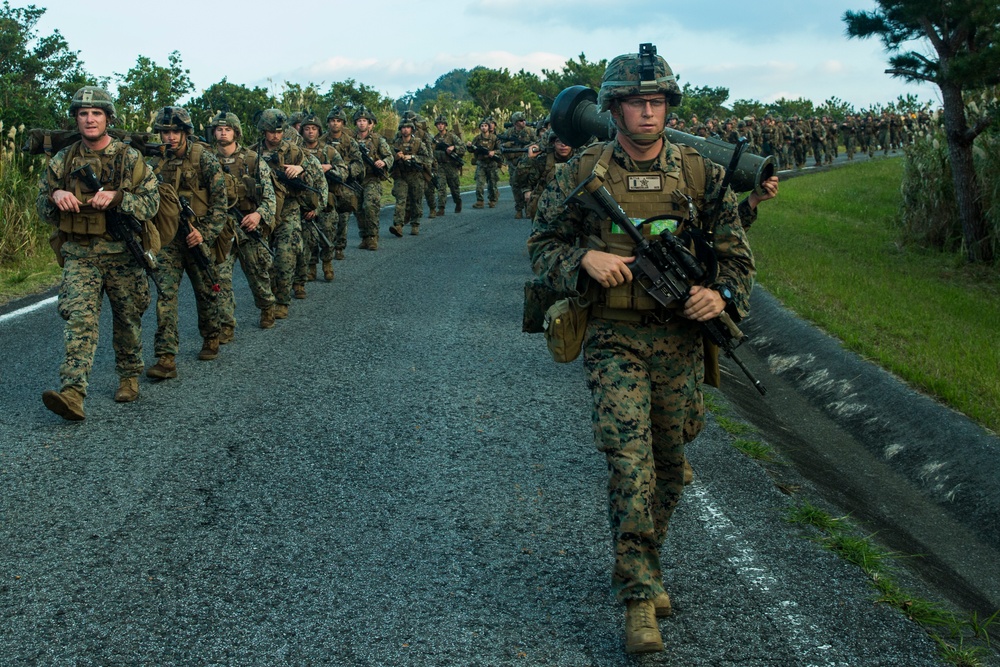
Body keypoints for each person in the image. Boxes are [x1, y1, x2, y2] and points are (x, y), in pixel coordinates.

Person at [527, 44, 755, 655]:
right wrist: (583, 259)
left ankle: (643, 558)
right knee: (630, 465)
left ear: (667, 106)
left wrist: (721, 295)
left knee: (672, 467)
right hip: (613, 337)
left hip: (679, 339)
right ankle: (638, 598)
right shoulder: (581, 173)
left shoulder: (699, 173)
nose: (647, 113)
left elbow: (737, 257)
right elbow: (541, 247)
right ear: (614, 109)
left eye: (656, 102)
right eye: (635, 103)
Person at [38, 86, 160, 420]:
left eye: (96, 113)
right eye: (83, 113)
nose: (89, 119)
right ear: (75, 119)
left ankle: (129, 375)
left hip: (123, 252)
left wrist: (119, 197)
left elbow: (151, 204)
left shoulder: (129, 158)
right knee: (79, 319)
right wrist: (56, 196)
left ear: (108, 118)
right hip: (80, 253)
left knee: (127, 317)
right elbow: (42, 208)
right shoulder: (63, 160)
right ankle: (73, 393)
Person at [146, 105, 228, 378]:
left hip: (198, 236)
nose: (169, 137)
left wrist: (205, 232)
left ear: (185, 132)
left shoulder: (204, 158)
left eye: (174, 132)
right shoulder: (155, 162)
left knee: (207, 291)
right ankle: (166, 357)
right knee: (165, 296)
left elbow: (220, 204)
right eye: (165, 132)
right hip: (168, 239)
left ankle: (211, 335)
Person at [209, 111, 278, 334]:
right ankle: (225, 324)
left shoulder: (252, 159)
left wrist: (258, 215)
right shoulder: (207, 159)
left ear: (236, 132)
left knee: (258, 273)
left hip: (249, 225)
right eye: (219, 129)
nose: (223, 133)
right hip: (221, 228)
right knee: (220, 277)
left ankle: (267, 306)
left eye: (227, 129)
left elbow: (270, 197)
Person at [255, 108, 325, 315]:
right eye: (270, 131)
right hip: (262, 211)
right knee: (262, 258)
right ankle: (271, 291)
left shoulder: (295, 151)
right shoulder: (253, 153)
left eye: (279, 131)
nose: (275, 136)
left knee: (286, 254)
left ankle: (282, 301)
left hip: (288, 208)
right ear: (263, 131)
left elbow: (316, 177)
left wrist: (301, 170)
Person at [299, 112, 347, 281]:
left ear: (319, 131)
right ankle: (311, 266)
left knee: (327, 231)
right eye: (306, 129)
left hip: (326, 201)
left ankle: (327, 263)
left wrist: (329, 168)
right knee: (308, 235)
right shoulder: (296, 152)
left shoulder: (329, 151)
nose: (310, 132)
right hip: (304, 201)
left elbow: (343, 172)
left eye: (313, 128)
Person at [321, 106, 364, 260]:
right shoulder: (321, 141)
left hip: (345, 183)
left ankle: (339, 246)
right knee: (326, 219)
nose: (335, 124)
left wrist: (346, 170)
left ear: (343, 123)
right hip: (326, 185)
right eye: (332, 120)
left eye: (338, 121)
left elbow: (359, 163)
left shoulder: (350, 142)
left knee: (343, 217)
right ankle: (326, 248)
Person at [352, 106, 394, 250]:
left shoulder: (377, 139)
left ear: (370, 123)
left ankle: (372, 236)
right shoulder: (350, 140)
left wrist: (383, 162)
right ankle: (364, 236)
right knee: (358, 209)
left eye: (364, 120)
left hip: (372, 178)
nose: (362, 123)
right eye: (359, 120)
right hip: (355, 179)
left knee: (370, 205)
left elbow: (389, 156)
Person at [389, 118, 431, 237]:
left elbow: (427, 159)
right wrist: (396, 157)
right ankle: (398, 225)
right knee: (400, 199)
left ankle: (415, 224)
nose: (405, 130)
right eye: (403, 127)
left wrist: (412, 157)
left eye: (408, 127)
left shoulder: (418, 143)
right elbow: (388, 159)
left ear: (412, 129)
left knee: (416, 200)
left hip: (416, 175)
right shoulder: (395, 143)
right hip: (401, 175)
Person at [432, 114, 465, 215]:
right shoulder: (435, 139)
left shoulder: (452, 136)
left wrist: (454, 147)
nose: (440, 126)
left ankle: (458, 201)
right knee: (441, 187)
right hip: (440, 166)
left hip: (451, 165)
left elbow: (463, 147)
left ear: (445, 125)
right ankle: (441, 208)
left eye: (442, 124)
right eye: (438, 124)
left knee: (454, 188)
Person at [468, 118, 501, 208]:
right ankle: (480, 201)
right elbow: (472, 150)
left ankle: (492, 200)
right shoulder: (477, 138)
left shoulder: (494, 138)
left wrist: (494, 152)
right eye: (482, 126)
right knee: (479, 183)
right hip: (481, 163)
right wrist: (469, 146)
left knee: (492, 183)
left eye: (485, 126)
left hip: (492, 163)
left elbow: (500, 149)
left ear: (488, 127)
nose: (484, 128)